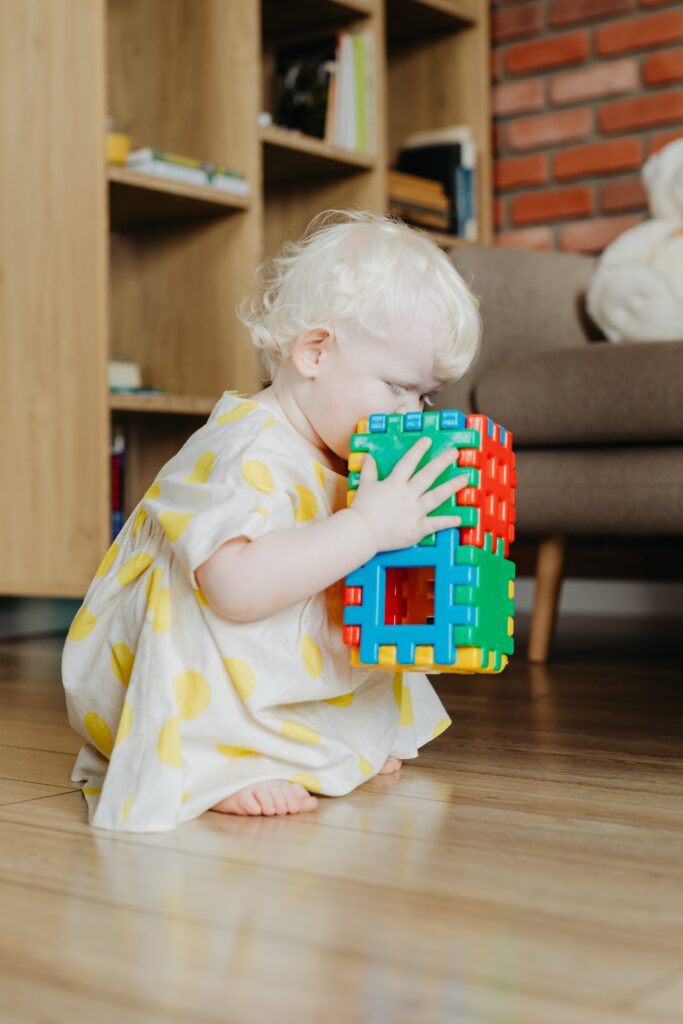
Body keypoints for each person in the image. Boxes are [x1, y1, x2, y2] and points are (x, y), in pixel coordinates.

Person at [62, 210, 482, 832]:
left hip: (260, 645)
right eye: (397, 388)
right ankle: (215, 763)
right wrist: (366, 527)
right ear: (314, 352)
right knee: (255, 573)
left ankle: (315, 737)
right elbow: (235, 589)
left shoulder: (344, 452)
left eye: (425, 397)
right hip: (178, 655)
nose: (412, 414)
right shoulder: (243, 449)